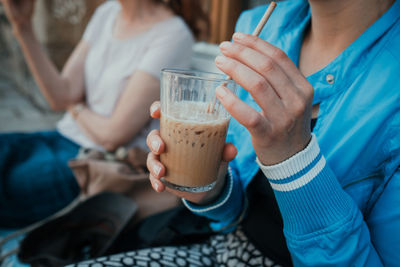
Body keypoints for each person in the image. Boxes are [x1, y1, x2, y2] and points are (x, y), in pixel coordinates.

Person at [73, 0, 400, 266]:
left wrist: (295, 163)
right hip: (220, 248)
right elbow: (235, 211)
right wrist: (211, 187)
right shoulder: (260, 26)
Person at [0, 0, 201, 227]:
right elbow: (61, 95)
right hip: (59, 137)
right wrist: (23, 26)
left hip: (92, 164)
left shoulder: (173, 34)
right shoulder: (108, 12)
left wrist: (75, 107)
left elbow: (112, 137)